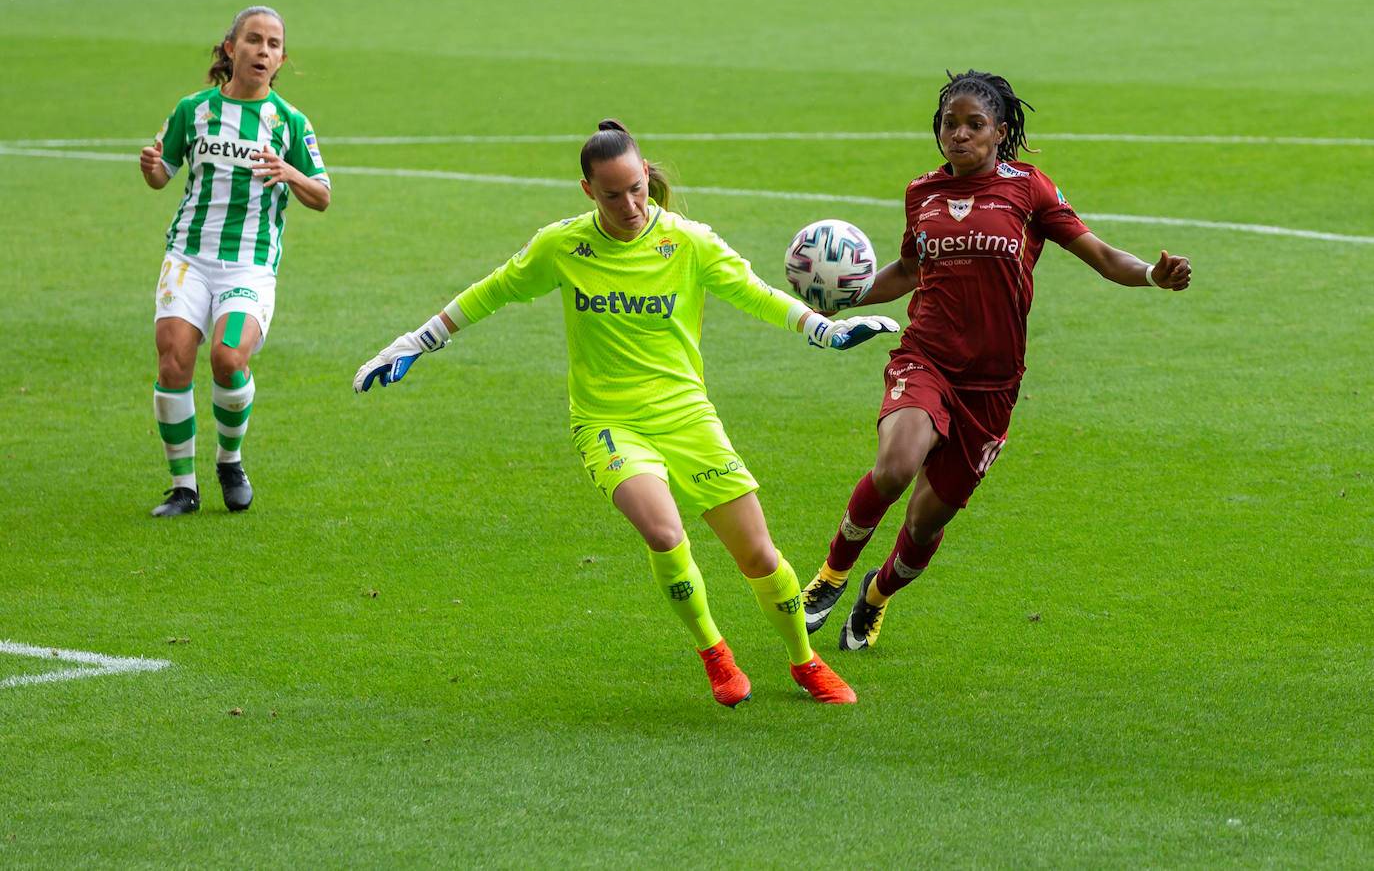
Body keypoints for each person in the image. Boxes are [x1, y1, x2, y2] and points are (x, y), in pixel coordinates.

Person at [354, 120, 899, 705]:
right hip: (608, 423)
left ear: (647, 177)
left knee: (759, 555)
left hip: (687, 418)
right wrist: (417, 340)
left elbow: (755, 292)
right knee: (664, 533)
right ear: (588, 191)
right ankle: (716, 655)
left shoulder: (687, 242)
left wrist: (826, 331)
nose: (630, 205)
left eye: (637, 188)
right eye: (612, 195)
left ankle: (803, 662)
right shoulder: (561, 246)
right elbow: (492, 290)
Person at [800, 70, 1191, 651]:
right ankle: (830, 577)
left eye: (973, 125)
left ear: (999, 131)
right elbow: (910, 272)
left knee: (925, 523)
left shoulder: (1029, 189)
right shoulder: (921, 193)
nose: (959, 135)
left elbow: (1104, 256)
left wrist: (1152, 276)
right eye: (949, 124)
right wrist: (845, 294)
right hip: (927, 357)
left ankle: (876, 596)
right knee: (896, 466)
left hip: (993, 385)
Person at [139, 5, 330, 517]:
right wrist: (153, 168)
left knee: (228, 357)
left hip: (249, 264)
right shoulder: (193, 110)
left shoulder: (290, 122)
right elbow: (163, 175)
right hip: (189, 257)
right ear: (230, 49)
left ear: (281, 58)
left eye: (272, 44)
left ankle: (230, 461)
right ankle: (183, 487)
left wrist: (291, 172)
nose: (262, 51)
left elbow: (323, 196)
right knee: (173, 357)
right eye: (253, 40)